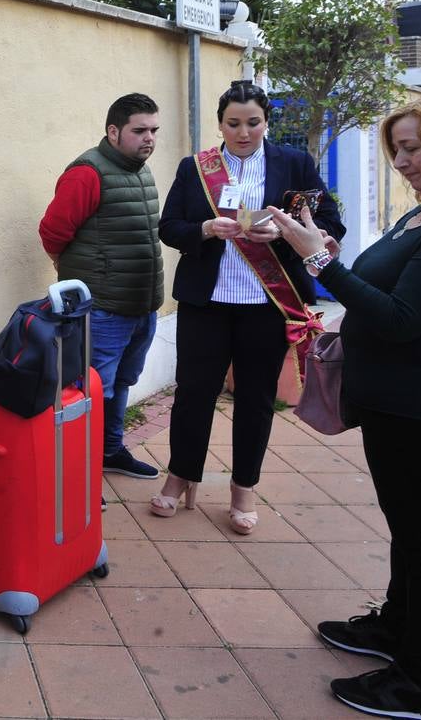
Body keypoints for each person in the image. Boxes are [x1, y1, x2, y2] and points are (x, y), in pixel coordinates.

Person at [270, 89, 421, 720]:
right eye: (395, 149)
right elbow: (383, 290)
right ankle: (393, 629)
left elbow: (402, 318)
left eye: (412, 148)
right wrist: (325, 252)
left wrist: (318, 257)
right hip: (401, 408)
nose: (400, 162)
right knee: (411, 537)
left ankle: (418, 684)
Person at [153, 80, 344, 534]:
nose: (243, 132)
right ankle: (181, 476)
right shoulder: (195, 168)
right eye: (233, 123)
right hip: (206, 302)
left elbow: (331, 221)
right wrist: (203, 229)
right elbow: (169, 227)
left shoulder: (294, 164)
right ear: (220, 124)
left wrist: (284, 234)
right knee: (193, 392)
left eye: (253, 122)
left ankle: (244, 487)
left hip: (267, 304)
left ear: (266, 122)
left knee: (256, 398)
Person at [39, 92, 165, 481]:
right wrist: (74, 271)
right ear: (113, 131)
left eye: (154, 130)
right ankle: (79, 476)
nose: (149, 138)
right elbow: (53, 231)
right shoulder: (87, 173)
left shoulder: (140, 170)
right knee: (92, 391)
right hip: (104, 309)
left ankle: (110, 450)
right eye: (139, 130)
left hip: (141, 306)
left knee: (122, 384)